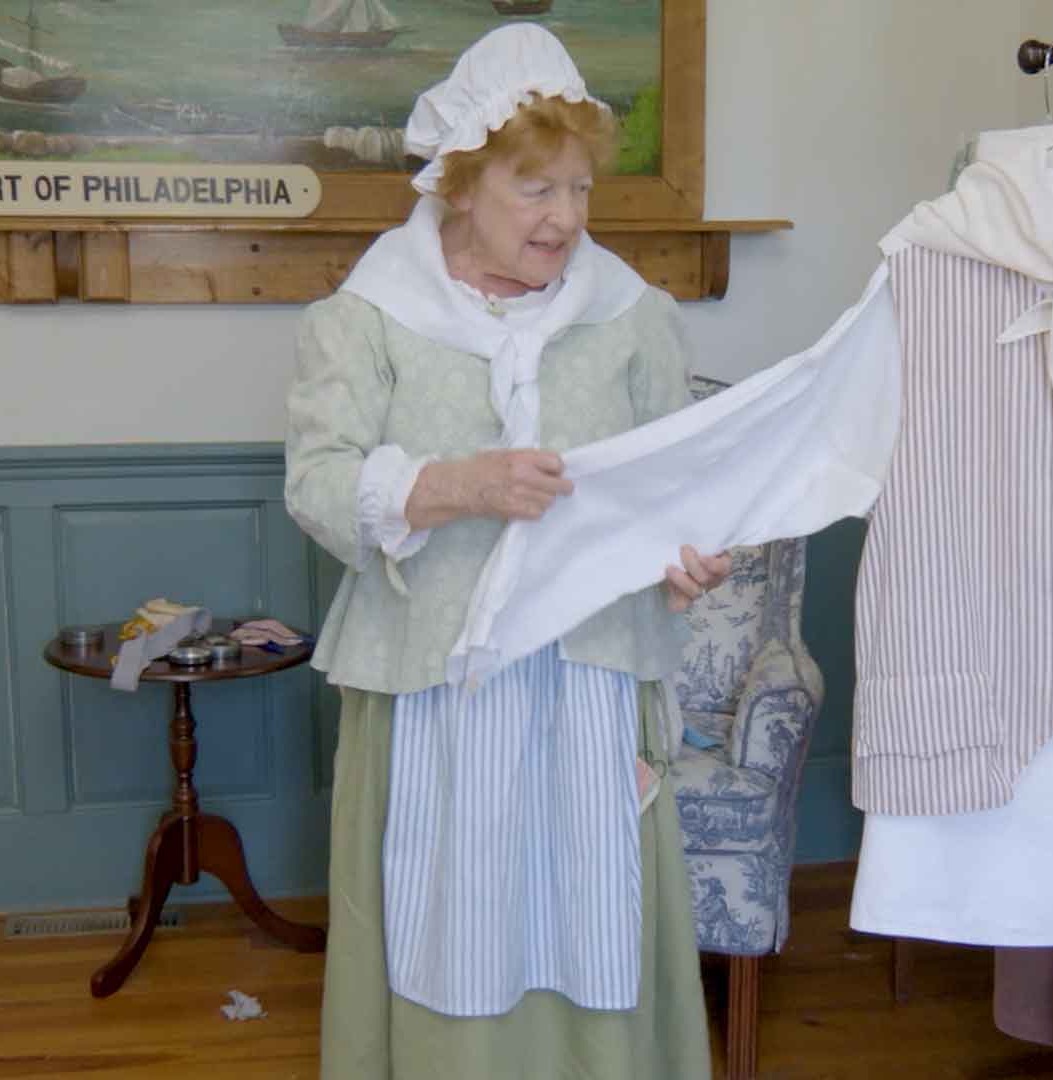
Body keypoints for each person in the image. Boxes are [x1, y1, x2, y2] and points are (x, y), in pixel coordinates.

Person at [284, 24, 726, 1080]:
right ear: (461, 184)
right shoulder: (368, 317)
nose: (567, 219)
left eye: (579, 190)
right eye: (537, 190)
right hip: (437, 679)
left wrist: (686, 556)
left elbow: (677, 489)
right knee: (451, 906)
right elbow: (316, 484)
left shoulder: (631, 316)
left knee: (593, 904)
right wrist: (452, 485)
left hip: (588, 677)